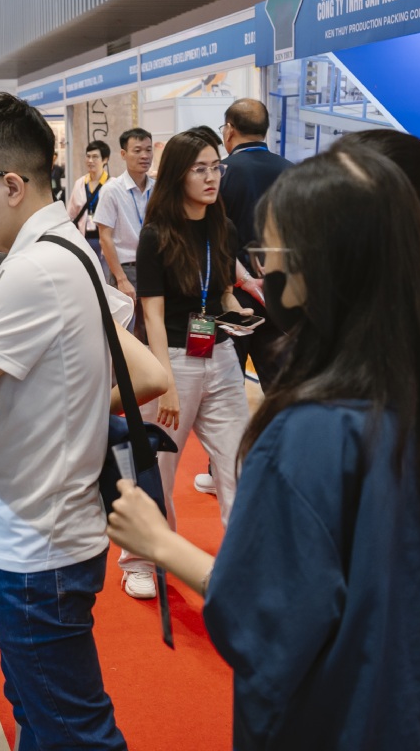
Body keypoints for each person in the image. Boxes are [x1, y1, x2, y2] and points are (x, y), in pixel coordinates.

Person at [107, 147, 420, 750]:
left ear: (316, 265)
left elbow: (264, 622)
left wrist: (159, 543)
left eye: (272, 254)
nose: (264, 270)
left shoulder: (311, 430)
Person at [0, 92, 167, 751]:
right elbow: (146, 374)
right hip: (49, 530)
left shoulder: (34, 270)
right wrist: (57, 402)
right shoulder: (70, 250)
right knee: (39, 717)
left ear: (11, 185)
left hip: (36, 547)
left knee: (73, 732)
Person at [116, 129, 251, 600]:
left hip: (221, 355)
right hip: (171, 358)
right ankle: (140, 560)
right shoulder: (156, 235)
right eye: (200, 169)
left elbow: (223, 293)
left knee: (239, 463)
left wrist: (238, 310)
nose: (212, 177)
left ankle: (245, 564)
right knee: (158, 468)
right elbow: (152, 315)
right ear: (178, 175)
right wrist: (165, 382)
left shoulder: (223, 227)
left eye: (216, 167)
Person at [218, 99, 294, 388]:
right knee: (281, 385)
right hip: (280, 294)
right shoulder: (292, 171)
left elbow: (212, 238)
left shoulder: (219, 173)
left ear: (229, 130)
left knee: (229, 386)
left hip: (231, 295)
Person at [94, 128, 155, 340]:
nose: (144, 155)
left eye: (148, 150)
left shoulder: (157, 189)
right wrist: (120, 279)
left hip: (153, 267)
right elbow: (105, 238)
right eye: (137, 150)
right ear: (123, 154)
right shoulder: (112, 190)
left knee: (150, 328)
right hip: (126, 269)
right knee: (124, 332)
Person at [66, 139, 111, 268]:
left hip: (105, 242)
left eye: (95, 157)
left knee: (104, 276)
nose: (90, 160)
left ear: (105, 159)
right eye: (88, 156)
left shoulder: (112, 185)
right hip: (84, 240)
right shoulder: (80, 184)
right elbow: (71, 214)